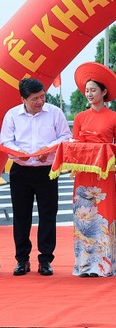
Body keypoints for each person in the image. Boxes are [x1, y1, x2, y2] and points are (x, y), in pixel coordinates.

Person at [1, 78, 71, 276]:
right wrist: (19, 151)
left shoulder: (55, 113)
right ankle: (22, 260)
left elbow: (65, 136)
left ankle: (46, 259)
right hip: (20, 170)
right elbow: (5, 139)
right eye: (34, 99)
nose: (40, 101)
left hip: (47, 170)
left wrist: (47, 149)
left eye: (42, 96)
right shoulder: (13, 115)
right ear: (23, 98)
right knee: (21, 216)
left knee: (48, 215)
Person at [69, 62, 116, 277]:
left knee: (104, 215)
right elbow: (75, 144)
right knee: (84, 217)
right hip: (83, 172)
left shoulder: (114, 117)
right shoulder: (80, 118)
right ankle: (84, 264)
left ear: (104, 92)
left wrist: (101, 149)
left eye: (93, 90)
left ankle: (104, 265)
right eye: (87, 90)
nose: (89, 94)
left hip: (104, 173)